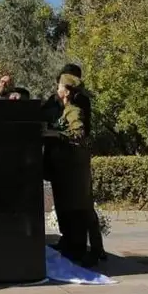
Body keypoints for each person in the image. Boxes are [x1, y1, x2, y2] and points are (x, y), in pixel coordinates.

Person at [52, 74, 99, 267]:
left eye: (59, 87)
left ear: (66, 92)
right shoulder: (65, 110)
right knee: (69, 208)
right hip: (67, 168)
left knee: (77, 209)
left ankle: (81, 250)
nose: (57, 90)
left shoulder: (73, 111)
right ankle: (72, 246)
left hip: (74, 169)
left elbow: (78, 134)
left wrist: (54, 134)